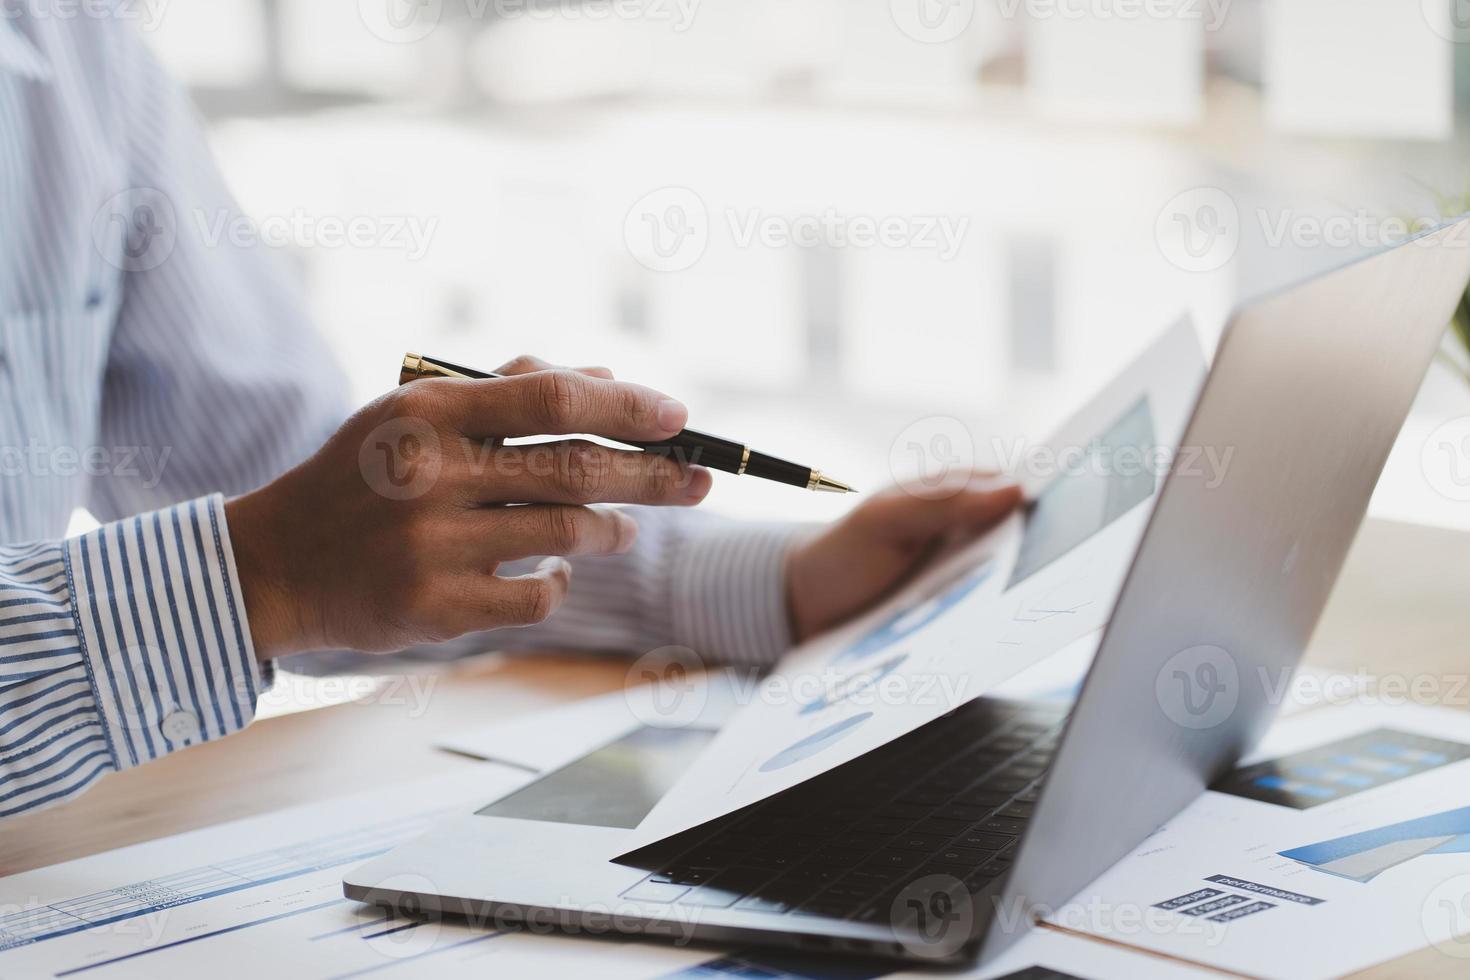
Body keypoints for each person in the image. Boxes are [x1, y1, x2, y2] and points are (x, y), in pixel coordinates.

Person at [0, 10, 1020, 819]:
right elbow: (281, 544)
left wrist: (776, 583)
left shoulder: (74, 41)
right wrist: (262, 575)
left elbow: (281, 481)